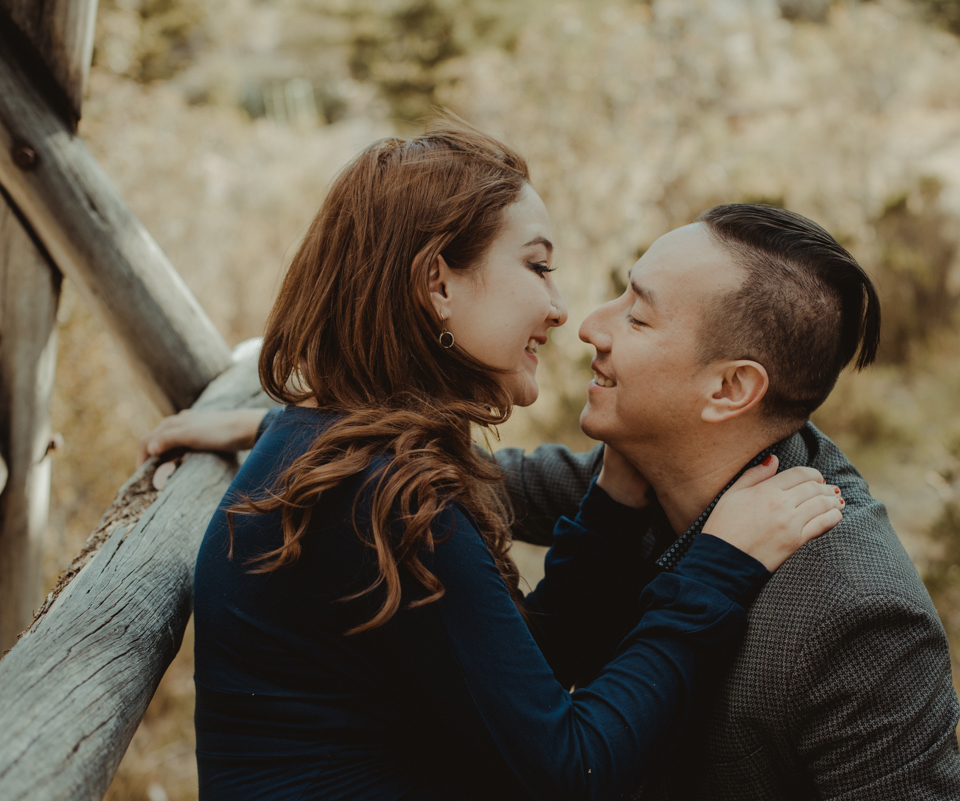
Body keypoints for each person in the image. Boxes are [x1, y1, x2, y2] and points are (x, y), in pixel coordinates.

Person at [185, 120, 844, 801]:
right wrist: (719, 567)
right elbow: (571, 769)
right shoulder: (384, 496)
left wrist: (613, 504)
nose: (563, 311)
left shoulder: (342, 455)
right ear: (438, 283)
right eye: (537, 266)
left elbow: (516, 675)